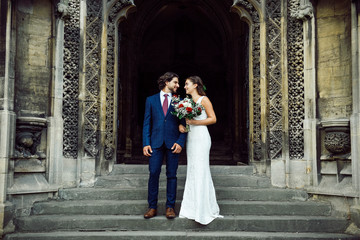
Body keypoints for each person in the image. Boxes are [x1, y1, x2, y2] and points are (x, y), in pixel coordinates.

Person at [179, 75, 223, 225]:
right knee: (193, 170)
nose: (184, 87)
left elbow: (213, 118)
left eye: (186, 84)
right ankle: (191, 208)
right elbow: (187, 121)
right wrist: (184, 125)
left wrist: (193, 122)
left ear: (195, 85)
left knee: (201, 170)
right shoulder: (188, 102)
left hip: (202, 137)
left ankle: (203, 209)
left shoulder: (204, 100)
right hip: (191, 138)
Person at [142, 72, 187, 219]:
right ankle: (152, 207)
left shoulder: (180, 101)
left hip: (173, 143)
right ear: (167, 82)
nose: (178, 85)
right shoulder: (151, 100)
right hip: (155, 143)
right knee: (153, 173)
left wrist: (180, 142)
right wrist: (146, 143)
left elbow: (185, 125)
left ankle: (170, 207)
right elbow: (147, 123)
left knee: (172, 175)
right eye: (175, 82)